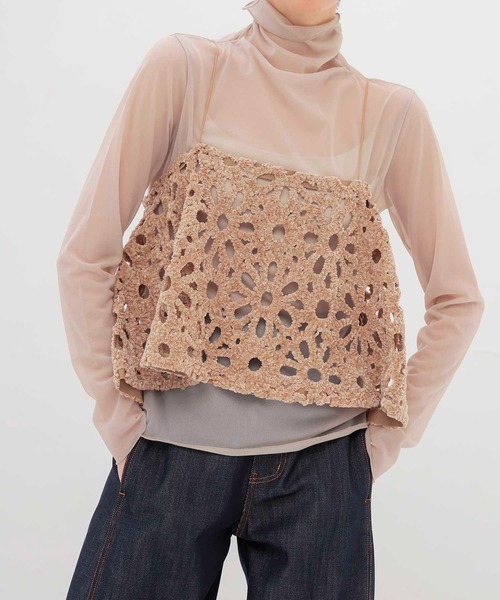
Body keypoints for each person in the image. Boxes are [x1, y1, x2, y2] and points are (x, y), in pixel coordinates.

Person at [56, 1, 484, 598]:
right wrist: (117, 415)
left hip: (323, 475)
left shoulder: (390, 114)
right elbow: (85, 254)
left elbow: (458, 299)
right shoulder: (186, 70)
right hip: (169, 456)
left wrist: (380, 444)